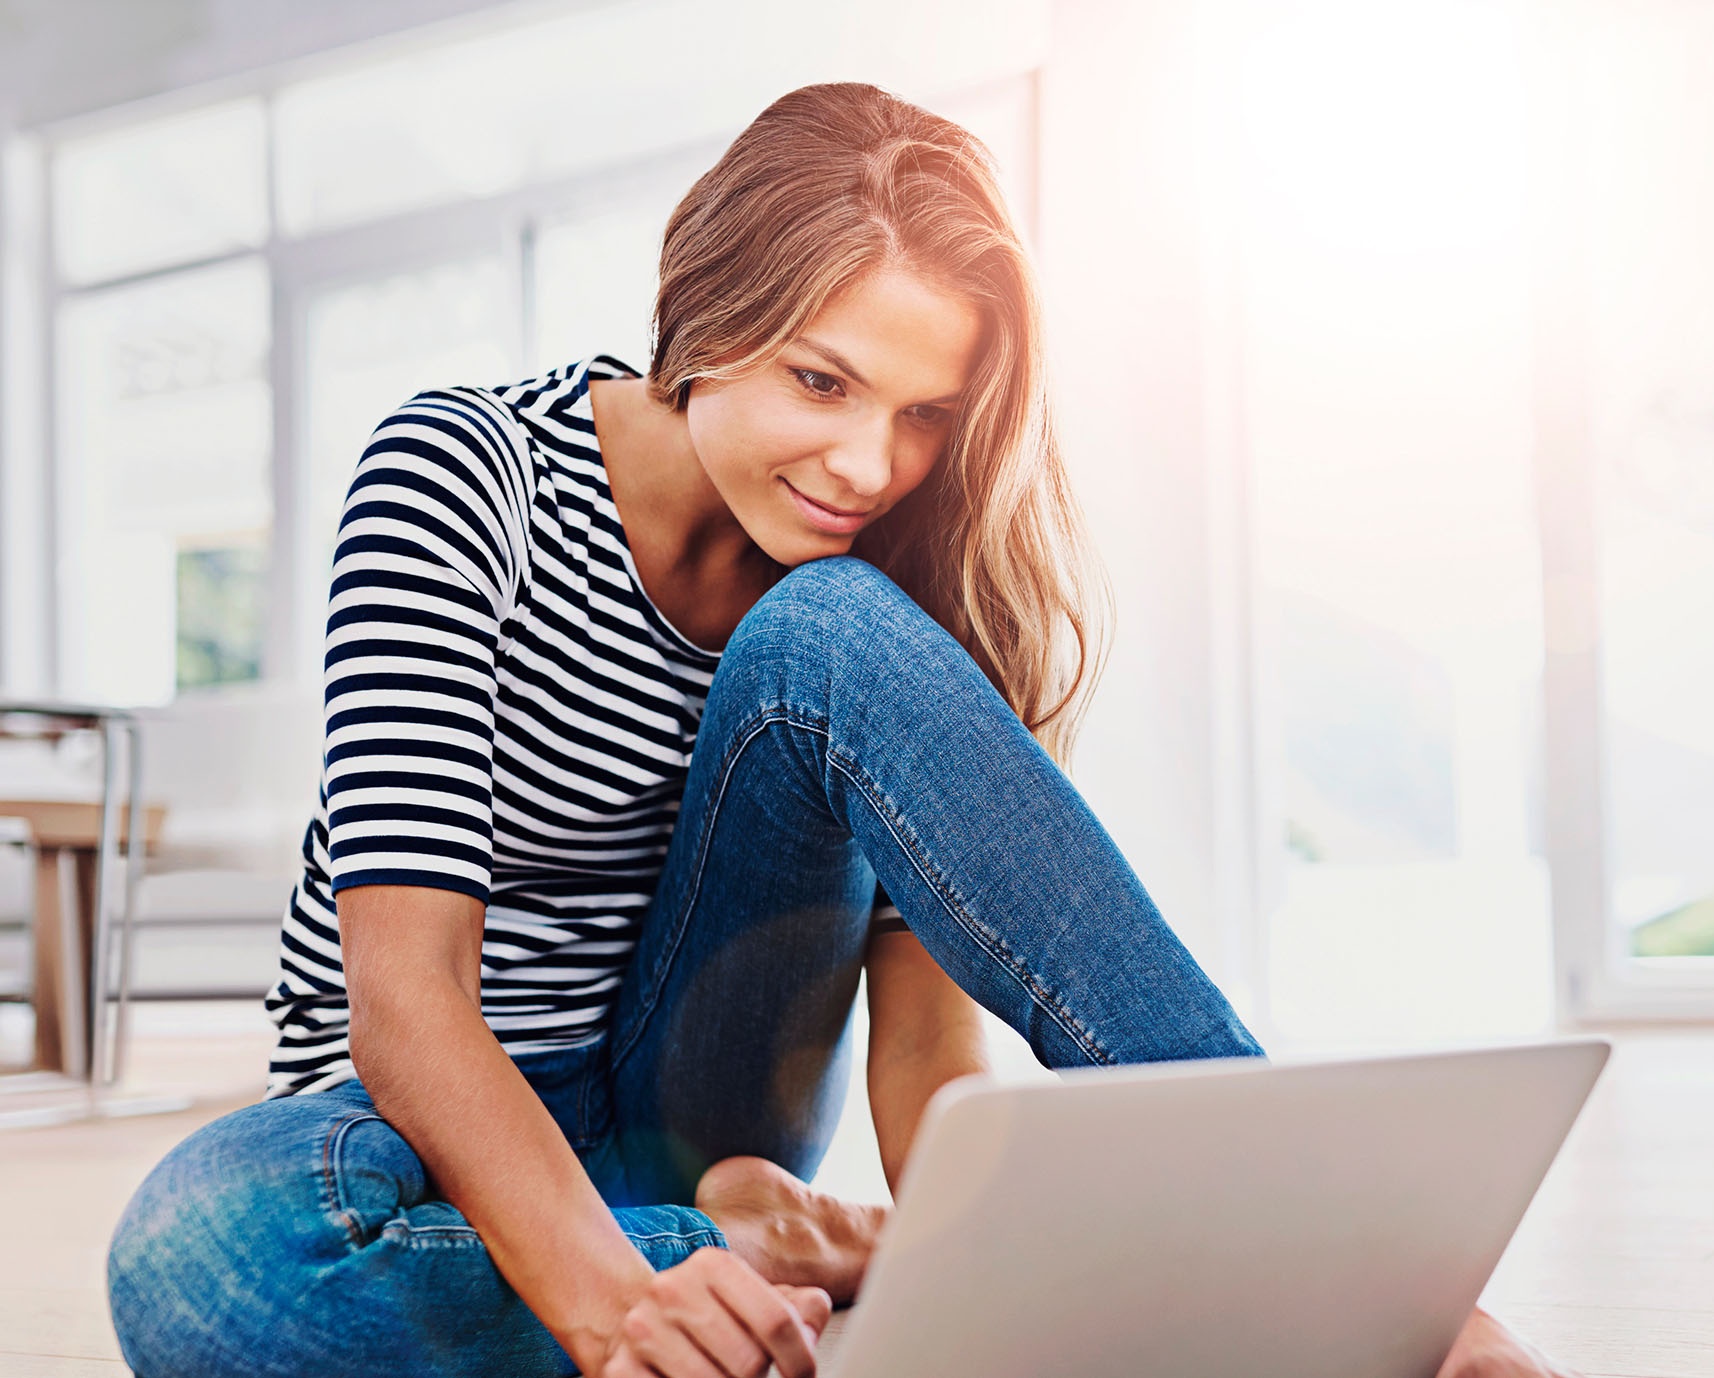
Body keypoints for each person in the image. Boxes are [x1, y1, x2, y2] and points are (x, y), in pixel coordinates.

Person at [107, 83, 1577, 1378]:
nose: (871, 462)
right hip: (409, 1142)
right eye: (823, 380)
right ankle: (740, 1247)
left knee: (823, 626)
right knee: (200, 1262)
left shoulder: (878, 589)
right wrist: (621, 1303)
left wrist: (989, 1237)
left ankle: (1327, 1236)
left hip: (690, 1097)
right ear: (705, 314)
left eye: (925, 410)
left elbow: (928, 1054)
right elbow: (405, 1001)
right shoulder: (459, 475)